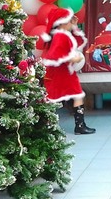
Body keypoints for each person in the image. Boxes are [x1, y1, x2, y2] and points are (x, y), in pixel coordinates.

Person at [41, 7, 96, 135]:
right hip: (60, 73)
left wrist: (74, 25)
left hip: (61, 72)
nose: (72, 22)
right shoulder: (61, 36)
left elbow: (76, 42)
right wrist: (73, 58)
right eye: (70, 20)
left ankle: (75, 126)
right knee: (56, 98)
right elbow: (55, 55)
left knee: (65, 96)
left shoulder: (59, 34)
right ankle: (78, 126)